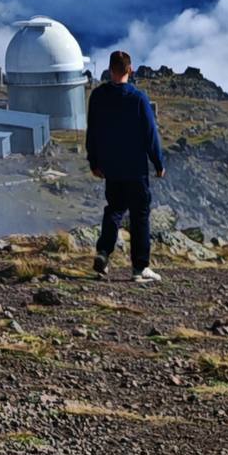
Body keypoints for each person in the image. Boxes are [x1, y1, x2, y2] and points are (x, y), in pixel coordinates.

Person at [85, 49, 166, 283]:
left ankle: (103, 252)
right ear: (129, 70)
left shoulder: (98, 97)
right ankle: (140, 268)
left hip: (112, 167)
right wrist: (158, 163)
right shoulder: (138, 99)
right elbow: (150, 134)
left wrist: (94, 161)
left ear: (110, 70)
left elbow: (93, 131)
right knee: (140, 215)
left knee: (115, 209)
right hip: (136, 168)